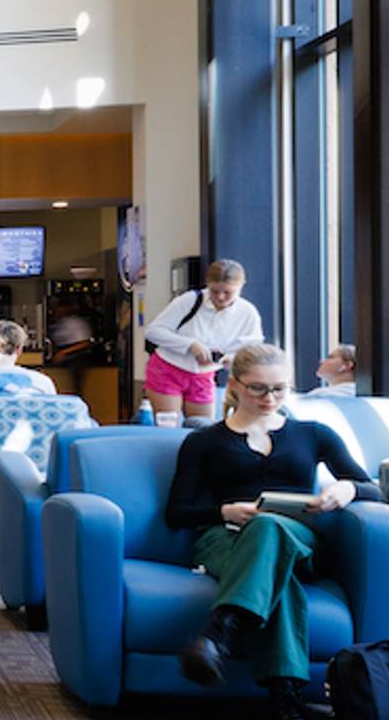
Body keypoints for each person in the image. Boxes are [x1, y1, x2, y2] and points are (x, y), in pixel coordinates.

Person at [166, 343, 381, 720]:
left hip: (299, 539)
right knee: (278, 578)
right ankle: (285, 701)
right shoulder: (203, 441)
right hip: (224, 537)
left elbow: (373, 489)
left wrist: (347, 489)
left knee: (269, 527)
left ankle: (220, 630)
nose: (270, 398)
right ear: (235, 384)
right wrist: (224, 510)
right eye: (258, 388)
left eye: (279, 389)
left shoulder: (313, 434)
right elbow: (177, 512)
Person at [144, 258, 263, 420]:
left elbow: (253, 350)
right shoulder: (191, 300)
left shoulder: (247, 313)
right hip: (168, 369)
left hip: (204, 375)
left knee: (202, 426)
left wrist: (230, 359)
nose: (220, 297)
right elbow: (153, 331)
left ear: (240, 286)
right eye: (214, 291)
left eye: (228, 292)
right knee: (169, 424)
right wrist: (190, 345)